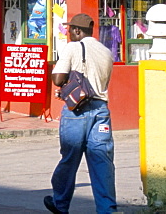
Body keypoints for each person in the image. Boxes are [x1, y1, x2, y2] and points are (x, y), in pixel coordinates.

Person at [45, 13, 117, 214]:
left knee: (70, 158)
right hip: (101, 111)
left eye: (70, 30)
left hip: (77, 111)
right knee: (102, 160)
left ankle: (60, 204)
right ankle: (108, 209)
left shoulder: (73, 47)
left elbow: (58, 79)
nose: (68, 34)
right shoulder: (105, 51)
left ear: (77, 31)